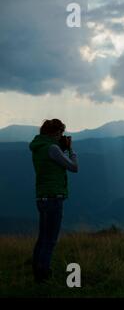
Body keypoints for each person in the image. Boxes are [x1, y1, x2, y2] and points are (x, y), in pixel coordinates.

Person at [29, 119, 78, 283]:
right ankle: (43, 275)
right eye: (60, 133)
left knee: (42, 237)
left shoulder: (39, 147)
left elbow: (52, 162)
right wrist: (71, 150)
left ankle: (37, 270)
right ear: (54, 133)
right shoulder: (52, 148)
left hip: (41, 196)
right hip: (53, 197)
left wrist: (61, 149)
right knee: (50, 239)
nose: (61, 136)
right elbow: (74, 167)